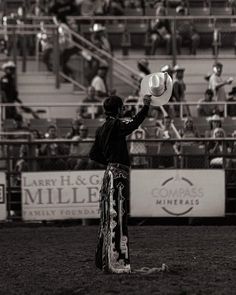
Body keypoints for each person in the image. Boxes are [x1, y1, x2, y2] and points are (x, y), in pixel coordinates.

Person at [89, 94, 152, 273]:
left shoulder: (101, 129)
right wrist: (145, 107)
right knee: (118, 217)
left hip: (109, 173)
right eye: (122, 108)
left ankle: (103, 259)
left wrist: (109, 160)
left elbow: (93, 154)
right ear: (118, 109)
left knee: (109, 217)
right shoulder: (116, 125)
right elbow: (133, 124)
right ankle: (116, 262)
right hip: (118, 176)